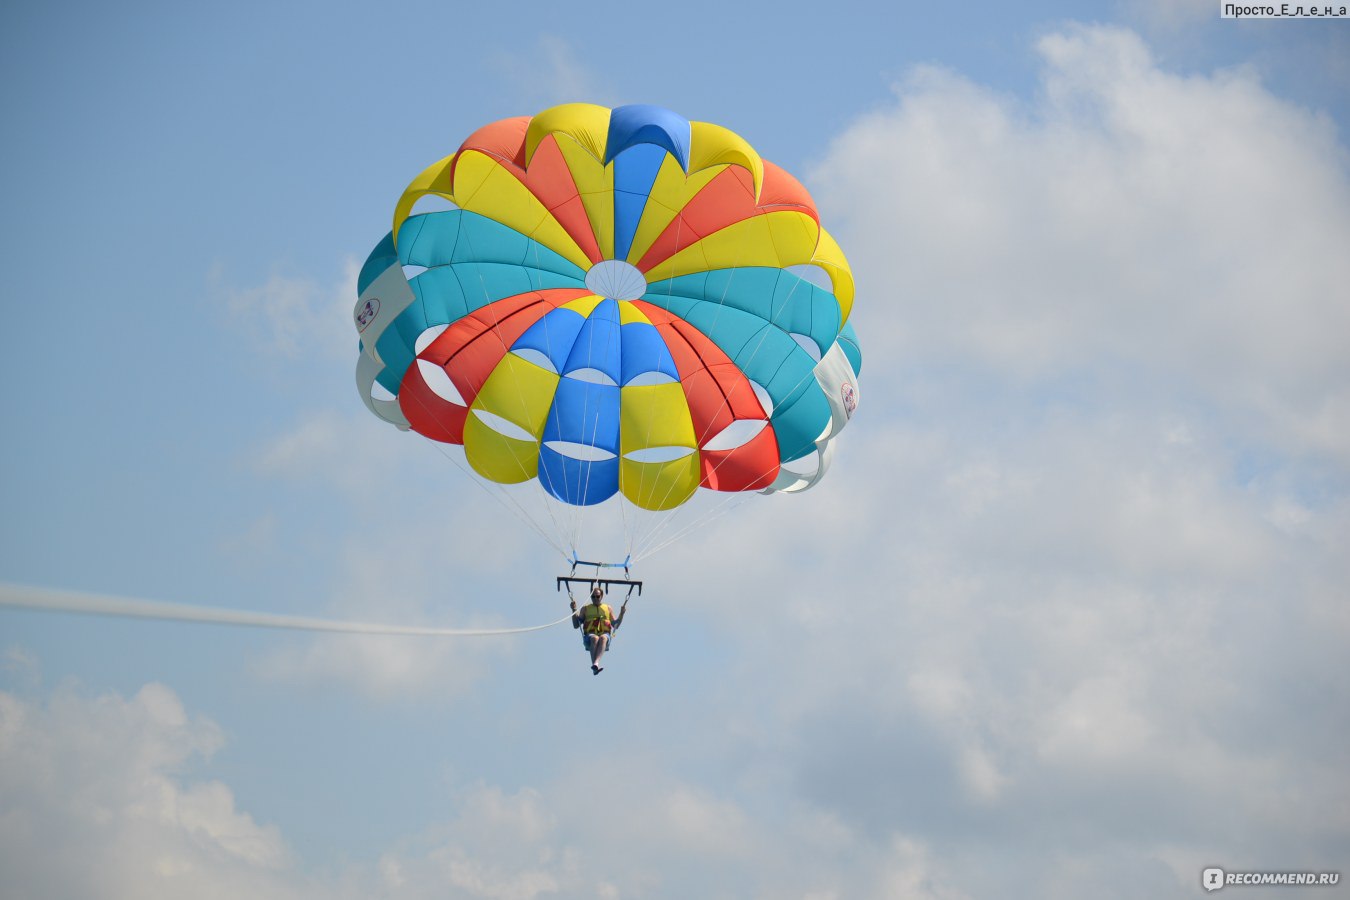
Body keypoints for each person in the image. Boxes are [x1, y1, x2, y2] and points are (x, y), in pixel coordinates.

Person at [570, 585, 625, 675]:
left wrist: (622, 614)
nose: (595, 598)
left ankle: (596, 664)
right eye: (593, 596)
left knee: (603, 638)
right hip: (589, 637)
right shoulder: (585, 608)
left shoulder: (608, 608)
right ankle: (595, 665)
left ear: (601, 596)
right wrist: (573, 609)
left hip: (605, 635)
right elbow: (576, 625)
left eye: (597, 596)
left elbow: (616, 625)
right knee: (595, 638)